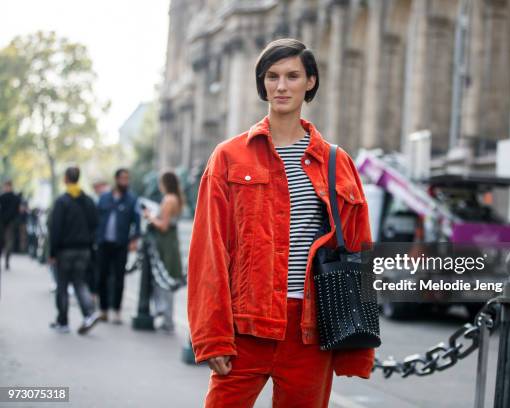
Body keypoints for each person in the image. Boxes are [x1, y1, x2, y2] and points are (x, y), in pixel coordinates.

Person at [187, 38, 374, 408]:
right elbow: (208, 251)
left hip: (309, 332)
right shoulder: (229, 157)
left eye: (292, 76)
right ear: (262, 84)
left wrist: (357, 349)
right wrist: (213, 337)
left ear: (310, 82)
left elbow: (358, 253)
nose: (281, 86)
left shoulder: (337, 163)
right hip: (245, 329)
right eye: (272, 77)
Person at [49, 167, 100, 334]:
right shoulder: (88, 201)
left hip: (65, 250)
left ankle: (63, 321)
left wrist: (52, 253)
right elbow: (95, 224)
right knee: (79, 283)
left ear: (65, 179)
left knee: (62, 285)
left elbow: (55, 228)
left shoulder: (62, 201)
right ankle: (89, 314)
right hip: (84, 249)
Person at [142, 171, 185, 333]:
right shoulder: (177, 198)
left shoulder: (168, 199)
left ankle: (167, 320)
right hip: (171, 242)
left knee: (164, 280)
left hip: (165, 242)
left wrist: (150, 217)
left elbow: (163, 225)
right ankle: (166, 317)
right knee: (167, 280)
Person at [96, 169, 140, 324]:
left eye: (127, 178)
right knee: (102, 275)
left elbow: (137, 222)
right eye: (122, 178)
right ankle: (103, 309)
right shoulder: (104, 198)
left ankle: (116, 310)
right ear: (116, 179)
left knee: (119, 278)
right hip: (103, 243)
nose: (125, 181)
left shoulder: (132, 200)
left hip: (121, 244)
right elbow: (97, 218)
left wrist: (134, 239)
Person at [0, 180, 21, 271]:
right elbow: (19, 211)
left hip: (4, 222)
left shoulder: (2, 197)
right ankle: (7, 261)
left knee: (4, 241)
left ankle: (6, 260)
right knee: (8, 242)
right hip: (10, 222)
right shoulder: (16, 198)